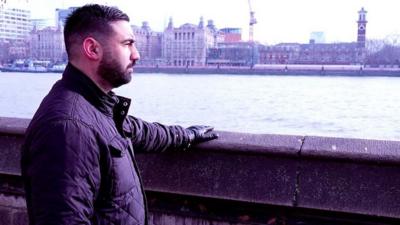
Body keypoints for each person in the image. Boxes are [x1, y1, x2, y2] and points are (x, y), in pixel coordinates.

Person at [21, 4, 218, 225]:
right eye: (127, 44)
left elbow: (141, 132)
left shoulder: (95, 106)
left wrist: (187, 135)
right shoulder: (68, 128)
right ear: (92, 49)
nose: (137, 55)